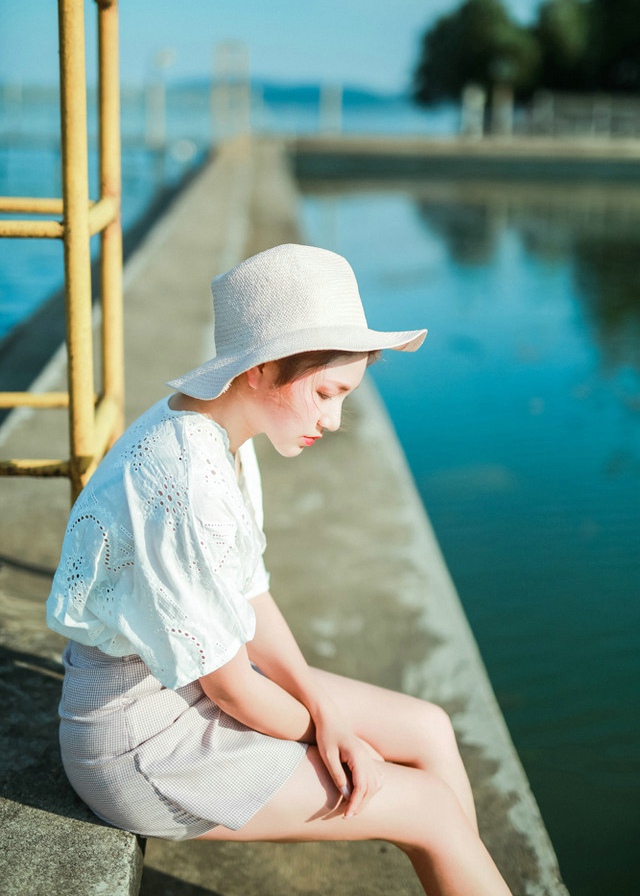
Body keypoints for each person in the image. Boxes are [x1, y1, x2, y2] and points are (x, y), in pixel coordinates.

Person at [47, 243, 512, 896]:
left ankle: (462, 866)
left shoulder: (220, 432)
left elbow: (249, 589)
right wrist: (336, 739)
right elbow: (233, 690)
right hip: (141, 741)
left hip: (184, 684)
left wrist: (322, 705)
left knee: (428, 729)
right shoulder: (187, 480)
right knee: (425, 805)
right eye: (326, 392)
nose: (336, 418)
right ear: (260, 369)